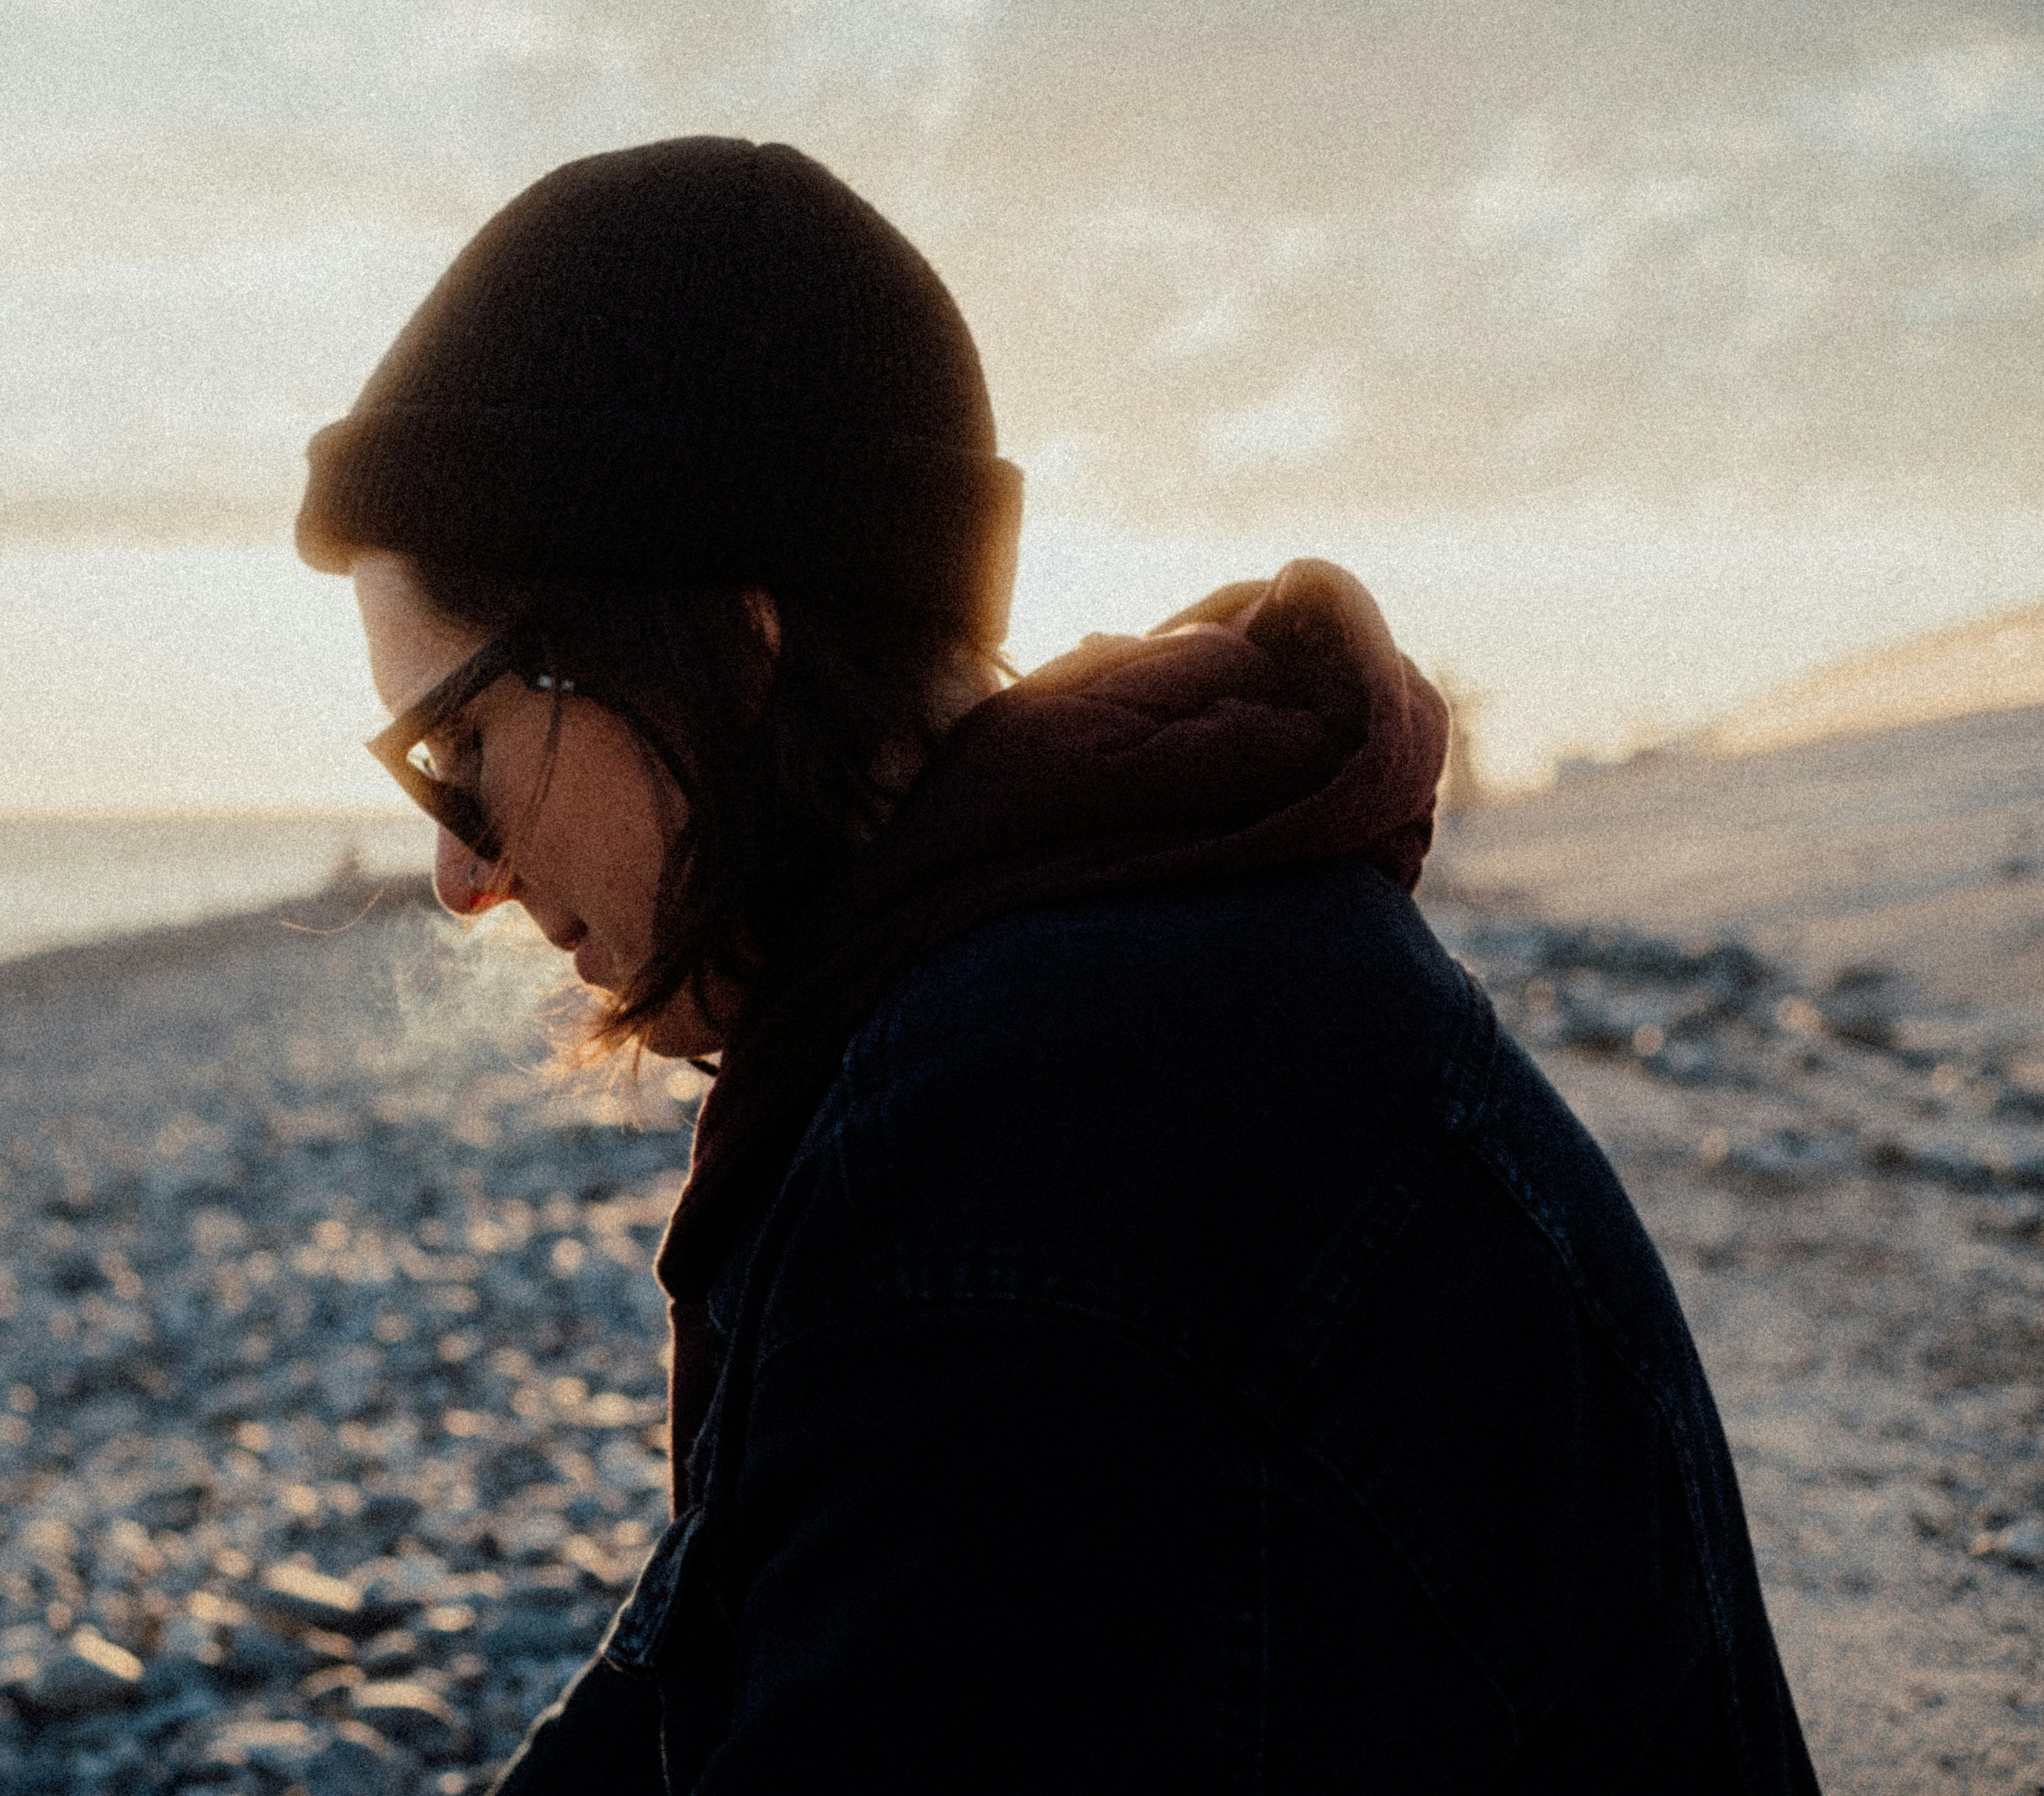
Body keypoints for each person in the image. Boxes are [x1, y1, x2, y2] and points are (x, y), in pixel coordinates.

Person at [296, 137, 1819, 1794]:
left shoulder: (1035, 1156)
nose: (458, 873)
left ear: (735, 641)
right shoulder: (1100, 987)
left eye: (456, 744)